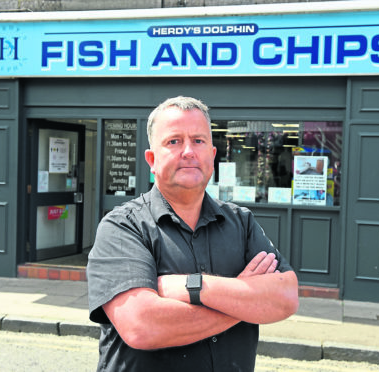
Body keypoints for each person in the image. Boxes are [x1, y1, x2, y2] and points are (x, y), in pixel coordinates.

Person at [87, 96, 299, 372]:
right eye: (174, 141)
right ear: (152, 159)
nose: (188, 151)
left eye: (198, 141)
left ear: (212, 155)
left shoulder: (241, 222)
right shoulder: (122, 227)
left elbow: (285, 297)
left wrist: (192, 287)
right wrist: (244, 301)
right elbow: (143, 326)